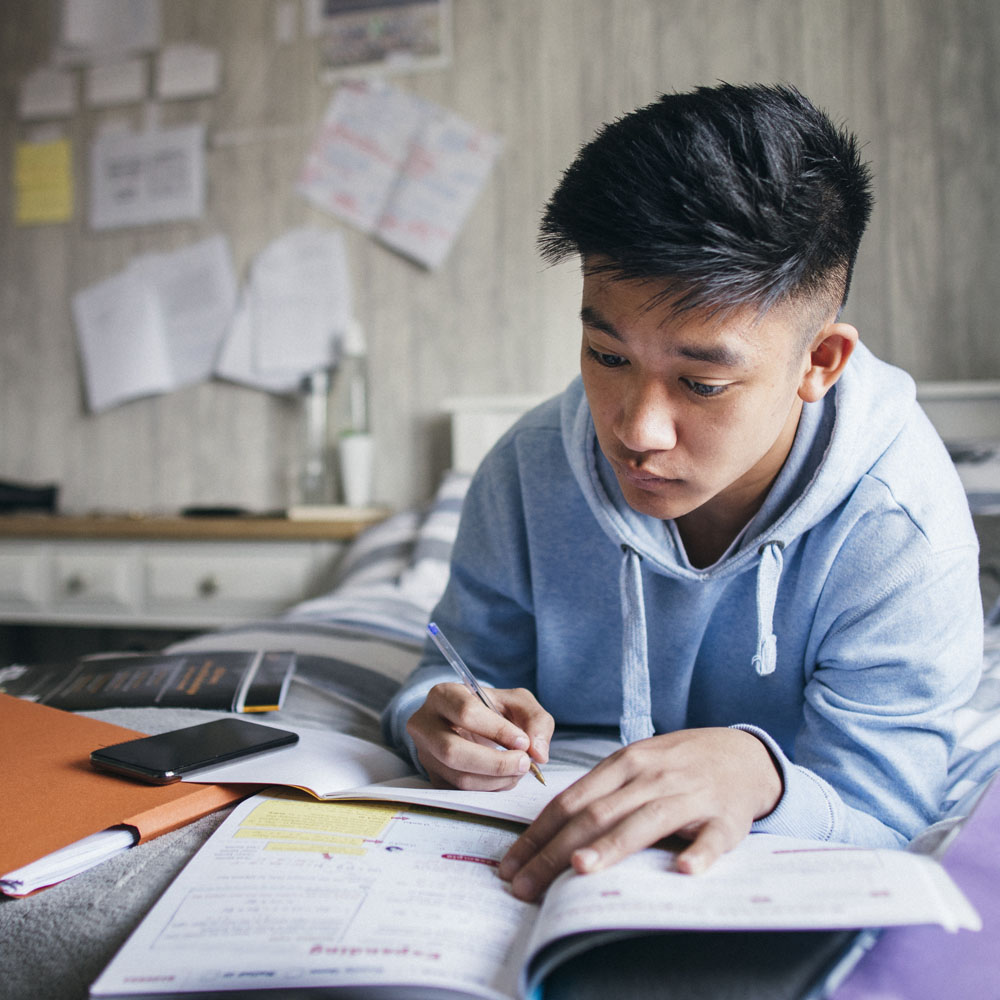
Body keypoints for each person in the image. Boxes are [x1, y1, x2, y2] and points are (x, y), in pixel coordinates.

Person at [381, 82, 983, 903]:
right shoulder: (524, 472)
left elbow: (890, 807)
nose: (637, 429)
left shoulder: (900, 525)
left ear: (820, 364)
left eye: (701, 383)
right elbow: (448, 675)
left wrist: (761, 774)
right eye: (608, 356)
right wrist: (435, 722)